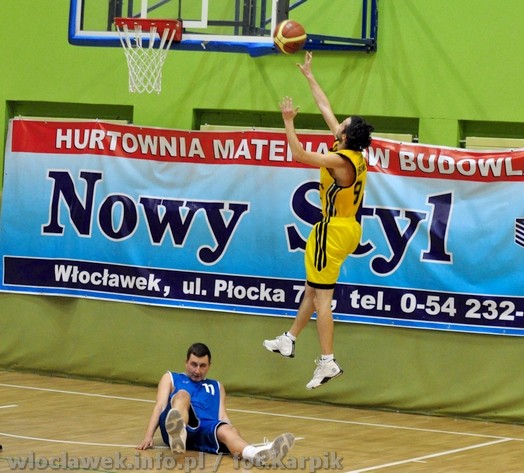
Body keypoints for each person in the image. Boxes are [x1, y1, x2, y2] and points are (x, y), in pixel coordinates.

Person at [263, 51, 374, 390]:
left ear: (346, 135)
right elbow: (326, 109)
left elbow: (298, 154)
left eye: (343, 124)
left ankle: (328, 361)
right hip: (349, 228)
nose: (338, 123)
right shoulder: (354, 153)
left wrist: (288, 121)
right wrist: (310, 76)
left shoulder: (340, 160)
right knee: (313, 288)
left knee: (323, 298)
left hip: (333, 231)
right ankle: (289, 338)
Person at [137, 342, 295, 466]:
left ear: (209, 365)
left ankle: (255, 454)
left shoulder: (217, 386)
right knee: (182, 394)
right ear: (186, 362)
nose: (197, 370)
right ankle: (178, 433)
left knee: (227, 429)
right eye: (193, 364)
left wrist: (234, 435)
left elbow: (222, 416)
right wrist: (148, 436)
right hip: (175, 421)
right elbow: (160, 406)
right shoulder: (171, 377)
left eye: (202, 366)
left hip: (204, 428)